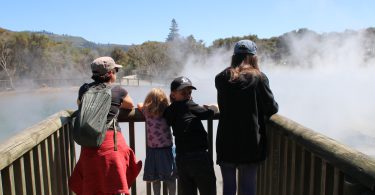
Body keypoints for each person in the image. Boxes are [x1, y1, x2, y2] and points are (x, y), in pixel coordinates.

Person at [69, 56, 142, 195]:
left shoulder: (84, 89)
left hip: (89, 146)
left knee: (93, 187)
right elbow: (130, 105)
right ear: (111, 73)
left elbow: (79, 104)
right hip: (111, 146)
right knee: (115, 187)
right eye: (115, 70)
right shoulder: (118, 91)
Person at [215, 40, 279, 195]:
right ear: (253, 57)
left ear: (234, 57)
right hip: (250, 142)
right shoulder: (259, 78)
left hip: (226, 140)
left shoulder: (221, 78)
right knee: (248, 187)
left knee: (229, 188)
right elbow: (271, 108)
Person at [164, 76, 217, 195]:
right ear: (173, 94)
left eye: (189, 92)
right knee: (208, 190)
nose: (187, 95)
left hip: (182, 158)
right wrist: (214, 108)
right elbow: (206, 114)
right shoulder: (189, 104)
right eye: (183, 93)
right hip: (199, 157)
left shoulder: (169, 110)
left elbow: (168, 118)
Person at [137, 88, 177, 195]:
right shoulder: (167, 111)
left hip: (153, 151)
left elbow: (139, 104)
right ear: (164, 100)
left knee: (155, 179)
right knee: (170, 178)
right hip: (166, 150)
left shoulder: (147, 112)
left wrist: (145, 105)